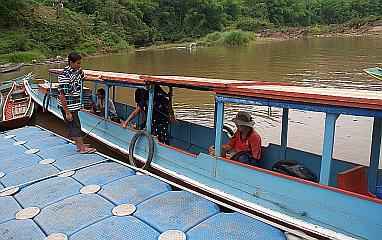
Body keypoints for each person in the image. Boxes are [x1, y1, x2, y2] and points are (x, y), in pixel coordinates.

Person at [58, 51, 98, 154]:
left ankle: (79, 145)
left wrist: (96, 79)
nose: (80, 65)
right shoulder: (64, 75)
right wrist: (67, 112)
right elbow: (62, 95)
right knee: (76, 126)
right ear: (71, 62)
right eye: (78, 63)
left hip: (74, 105)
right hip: (68, 106)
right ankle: (82, 148)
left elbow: (83, 77)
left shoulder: (77, 71)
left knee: (73, 125)